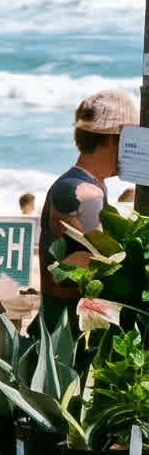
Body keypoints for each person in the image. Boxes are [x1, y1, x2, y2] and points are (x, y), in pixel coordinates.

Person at [39, 89, 136, 320]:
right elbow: (99, 265)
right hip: (69, 325)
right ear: (114, 140)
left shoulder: (85, 183)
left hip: (60, 315)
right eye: (132, 141)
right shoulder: (86, 193)